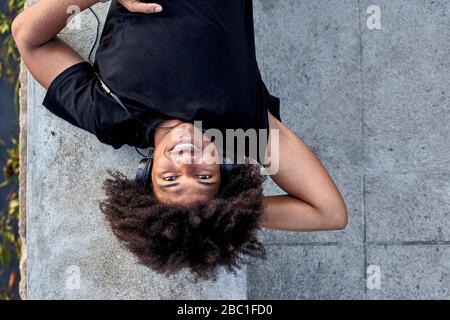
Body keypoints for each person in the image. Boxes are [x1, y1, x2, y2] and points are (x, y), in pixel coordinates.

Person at [12, 0, 348, 280]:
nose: (186, 160)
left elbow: (28, 36)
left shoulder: (111, 116)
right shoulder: (243, 128)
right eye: (204, 176)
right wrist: (229, 215)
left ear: (146, 173)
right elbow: (329, 213)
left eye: (170, 179)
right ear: (224, 167)